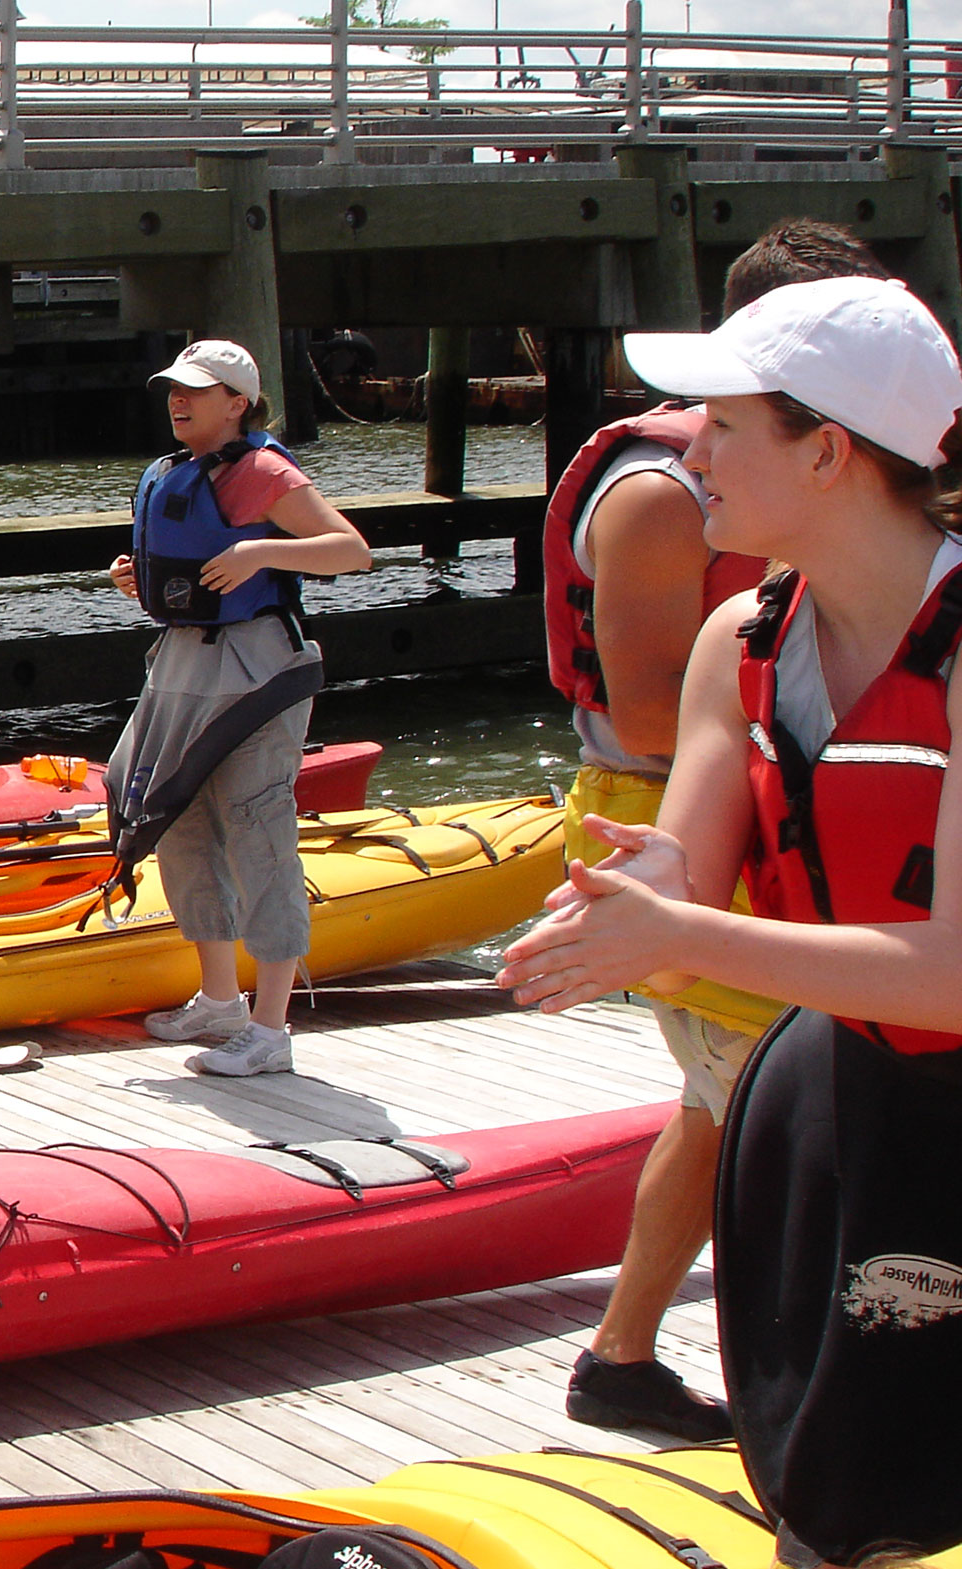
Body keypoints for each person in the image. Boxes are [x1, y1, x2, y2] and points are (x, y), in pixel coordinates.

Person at [500, 275, 962, 1569]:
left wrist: (681, 937)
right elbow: (690, 876)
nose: (690, 446)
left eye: (726, 425)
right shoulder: (737, 641)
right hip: (847, 1096)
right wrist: (636, 888)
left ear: (828, 452)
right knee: (824, 1503)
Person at [545, 219, 890, 1441]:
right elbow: (648, 718)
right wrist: (665, 898)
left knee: (720, 1106)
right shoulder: (667, 509)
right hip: (674, 816)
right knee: (749, 1103)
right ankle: (721, 1380)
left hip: (759, 846)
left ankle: (623, 1353)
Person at [107, 339, 371, 1077]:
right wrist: (134, 578)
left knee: (257, 823)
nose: (179, 400)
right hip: (185, 663)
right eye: (174, 389)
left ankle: (272, 1026)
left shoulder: (262, 469)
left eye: (198, 390)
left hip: (256, 668)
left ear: (238, 403)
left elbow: (351, 550)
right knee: (179, 818)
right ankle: (219, 998)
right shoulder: (170, 472)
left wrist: (263, 554)